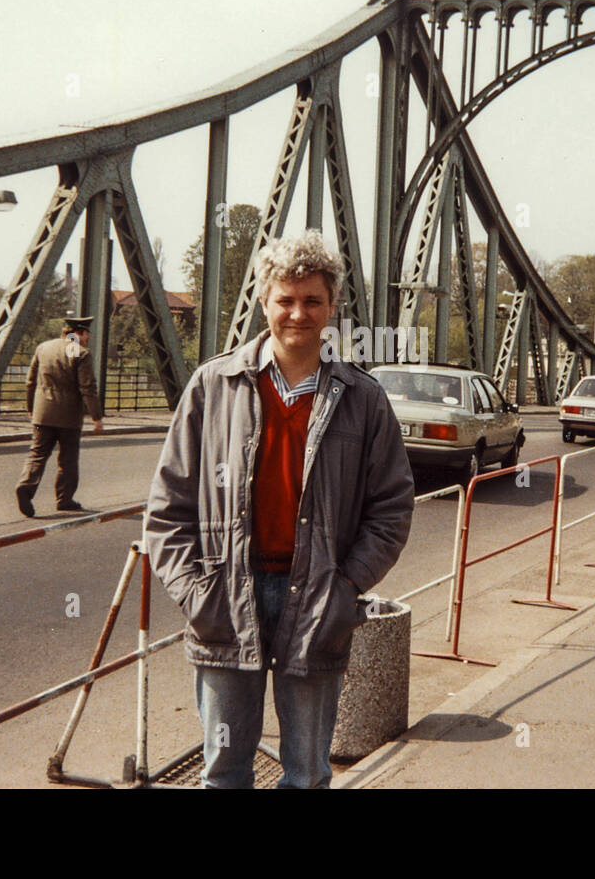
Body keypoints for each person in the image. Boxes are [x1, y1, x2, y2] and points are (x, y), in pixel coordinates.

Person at [145, 230, 415, 789]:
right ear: (264, 301)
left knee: (308, 773)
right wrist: (195, 590)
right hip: (226, 596)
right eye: (285, 300)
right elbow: (167, 506)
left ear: (331, 307)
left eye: (312, 300)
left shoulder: (362, 399)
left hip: (317, 601)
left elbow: (391, 509)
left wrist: (346, 586)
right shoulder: (213, 386)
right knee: (223, 772)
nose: (298, 313)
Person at [15, 315, 104, 517]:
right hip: (68, 417)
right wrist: (96, 418)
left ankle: (25, 485)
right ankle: (64, 499)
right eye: (87, 334)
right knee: (68, 459)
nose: (88, 338)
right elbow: (88, 388)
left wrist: (31, 409)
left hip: (41, 413)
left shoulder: (43, 347)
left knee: (37, 454)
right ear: (78, 333)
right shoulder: (80, 353)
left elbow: (30, 382)